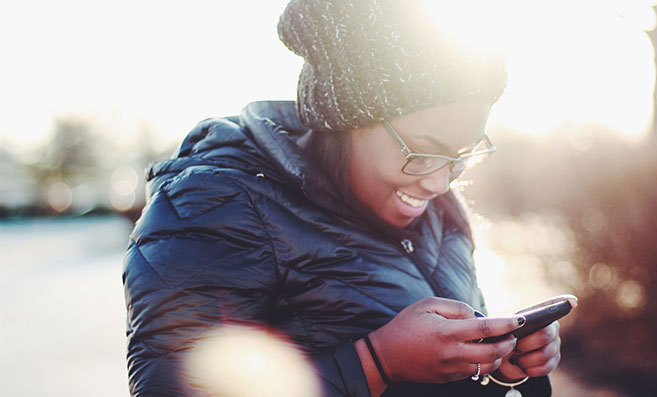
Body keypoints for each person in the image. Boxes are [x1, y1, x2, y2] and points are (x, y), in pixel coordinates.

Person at [122, 1, 567, 396]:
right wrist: (375, 363)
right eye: (422, 150)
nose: (440, 183)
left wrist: (502, 366)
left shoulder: (440, 212)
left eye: (461, 155)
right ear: (346, 118)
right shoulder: (216, 205)